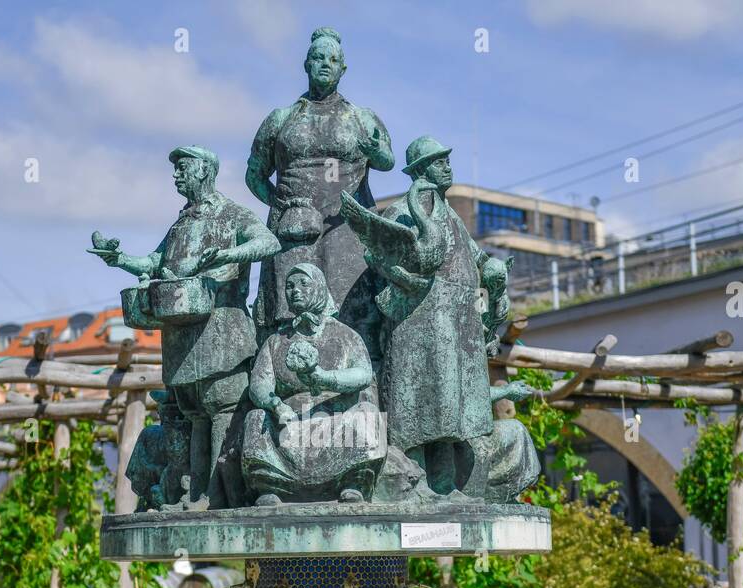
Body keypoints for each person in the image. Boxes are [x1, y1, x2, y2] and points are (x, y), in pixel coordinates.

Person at [91, 145, 279, 508]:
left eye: (183, 167)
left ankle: (218, 494)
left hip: (222, 332)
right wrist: (120, 259)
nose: (176, 174)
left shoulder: (232, 215)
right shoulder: (182, 222)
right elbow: (155, 260)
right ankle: (196, 495)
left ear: (205, 171)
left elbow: (268, 242)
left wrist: (230, 254)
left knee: (222, 409)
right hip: (183, 335)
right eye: (175, 169)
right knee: (194, 415)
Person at [349, 135, 510, 495]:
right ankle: (412, 482)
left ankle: (445, 484)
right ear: (421, 170)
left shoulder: (450, 213)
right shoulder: (402, 211)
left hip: (455, 322)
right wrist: (410, 281)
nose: (447, 167)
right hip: (419, 323)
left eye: (447, 161)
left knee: (450, 409)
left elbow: (472, 255)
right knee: (419, 406)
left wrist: (492, 266)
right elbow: (378, 257)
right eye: (439, 162)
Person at [246, 26, 393, 352]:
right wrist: (281, 204)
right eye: (318, 57)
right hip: (294, 230)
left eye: (333, 59)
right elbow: (254, 175)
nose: (325, 63)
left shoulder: (361, 118)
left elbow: (387, 161)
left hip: (346, 228)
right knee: (287, 312)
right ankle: (283, 377)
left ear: (343, 68)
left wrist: (375, 149)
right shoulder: (281, 119)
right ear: (306, 64)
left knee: (353, 309)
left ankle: (356, 380)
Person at [242, 264, 386, 504]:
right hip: (288, 419)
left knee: (367, 415)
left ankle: (352, 484)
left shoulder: (345, 335)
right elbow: (259, 383)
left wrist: (324, 378)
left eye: (303, 284)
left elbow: (363, 374)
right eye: (289, 286)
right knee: (256, 418)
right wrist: (275, 405)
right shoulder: (275, 341)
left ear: (319, 288)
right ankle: (272, 486)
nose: (295, 291)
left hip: (336, 417)